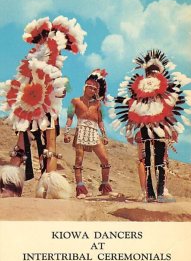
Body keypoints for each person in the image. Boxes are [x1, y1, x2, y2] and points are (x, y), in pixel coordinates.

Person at [0, 15, 87, 198]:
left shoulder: (54, 61)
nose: (45, 40)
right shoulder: (34, 56)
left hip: (48, 106)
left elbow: (62, 89)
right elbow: (24, 78)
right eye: (43, 37)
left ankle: (48, 189)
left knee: (49, 145)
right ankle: (9, 187)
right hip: (29, 103)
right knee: (23, 141)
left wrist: (58, 90)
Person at [108, 49, 191, 203]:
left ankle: (159, 193)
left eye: (155, 73)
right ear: (145, 75)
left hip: (160, 127)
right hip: (144, 128)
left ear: (159, 74)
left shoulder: (164, 90)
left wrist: (171, 129)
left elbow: (168, 109)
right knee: (146, 160)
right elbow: (133, 108)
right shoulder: (139, 90)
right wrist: (129, 130)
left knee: (160, 159)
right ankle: (149, 194)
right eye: (149, 73)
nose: (152, 76)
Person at [64, 69, 112, 198]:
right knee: (79, 161)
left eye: (95, 89)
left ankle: (105, 188)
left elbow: (100, 120)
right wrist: (67, 132)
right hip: (81, 132)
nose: (92, 90)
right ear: (85, 87)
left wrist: (104, 135)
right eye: (90, 87)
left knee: (105, 160)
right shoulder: (75, 101)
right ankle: (80, 189)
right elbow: (69, 117)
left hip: (94, 133)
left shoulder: (98, 104)